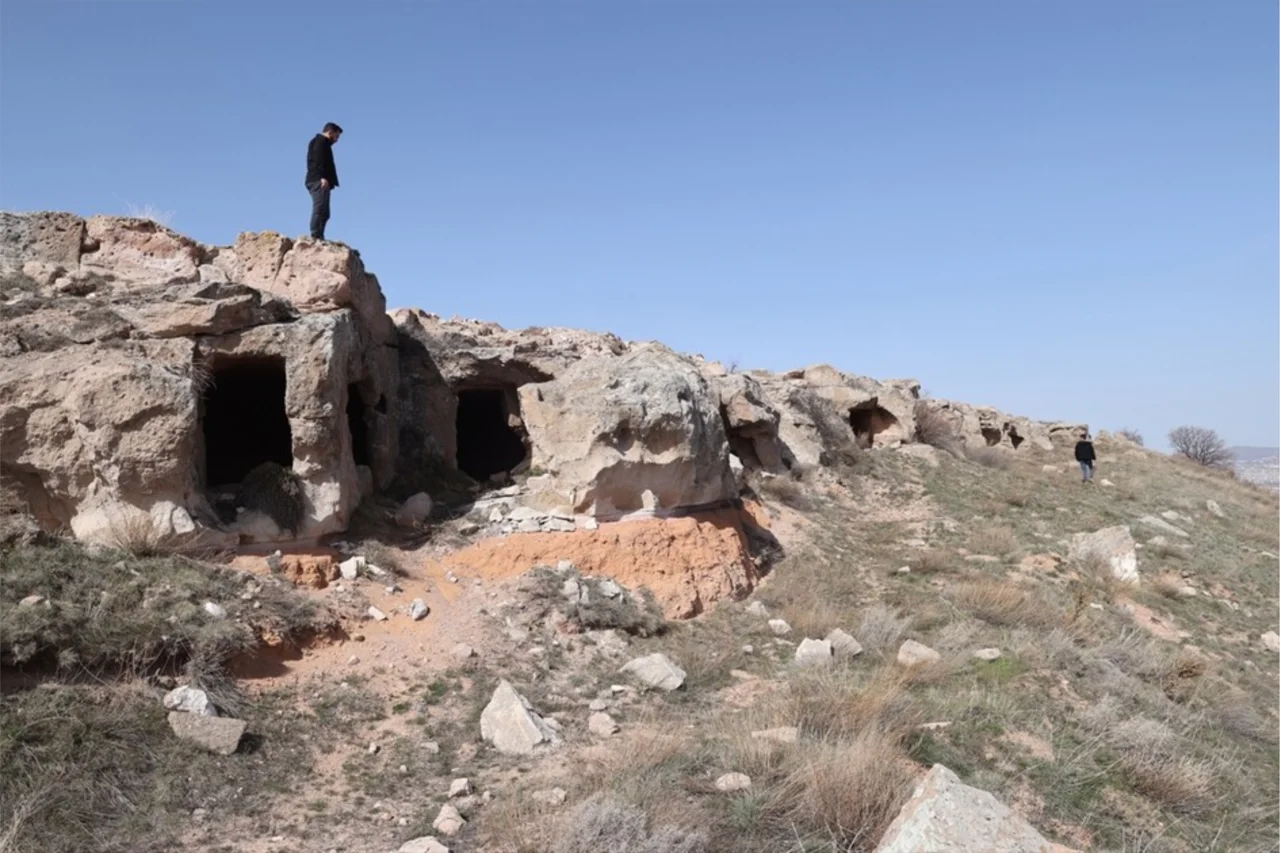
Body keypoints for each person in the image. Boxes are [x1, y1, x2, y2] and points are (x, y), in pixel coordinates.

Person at [305, 122, 342, 240]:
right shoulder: (320, 142)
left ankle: (319, 236)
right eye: (336, 136)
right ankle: (315, 236)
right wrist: (322, 177)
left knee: (325, 212)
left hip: (320, 180)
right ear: (330, 132)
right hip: (318, 180)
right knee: (320, 209)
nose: (336, 140)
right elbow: (317, 160)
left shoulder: (323, 143)